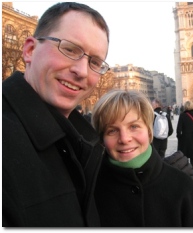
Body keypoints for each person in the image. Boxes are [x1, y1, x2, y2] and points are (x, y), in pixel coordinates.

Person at [2, 2, 110, 226]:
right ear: (30, 50)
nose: (81, 71)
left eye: (95, 62)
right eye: (69, 49)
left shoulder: (85, 142)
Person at [91, 89, 193, 227]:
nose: (124, 139)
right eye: (112, 130)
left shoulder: (182, 186)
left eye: (134, 126)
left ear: (149, 132)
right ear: (102, 140)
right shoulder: (90, 189)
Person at [176, 101, 193, 181]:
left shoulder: (183, 115)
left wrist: (179, 137)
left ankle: (186, 176)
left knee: (184, 159)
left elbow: (179, 129)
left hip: (185, 138)